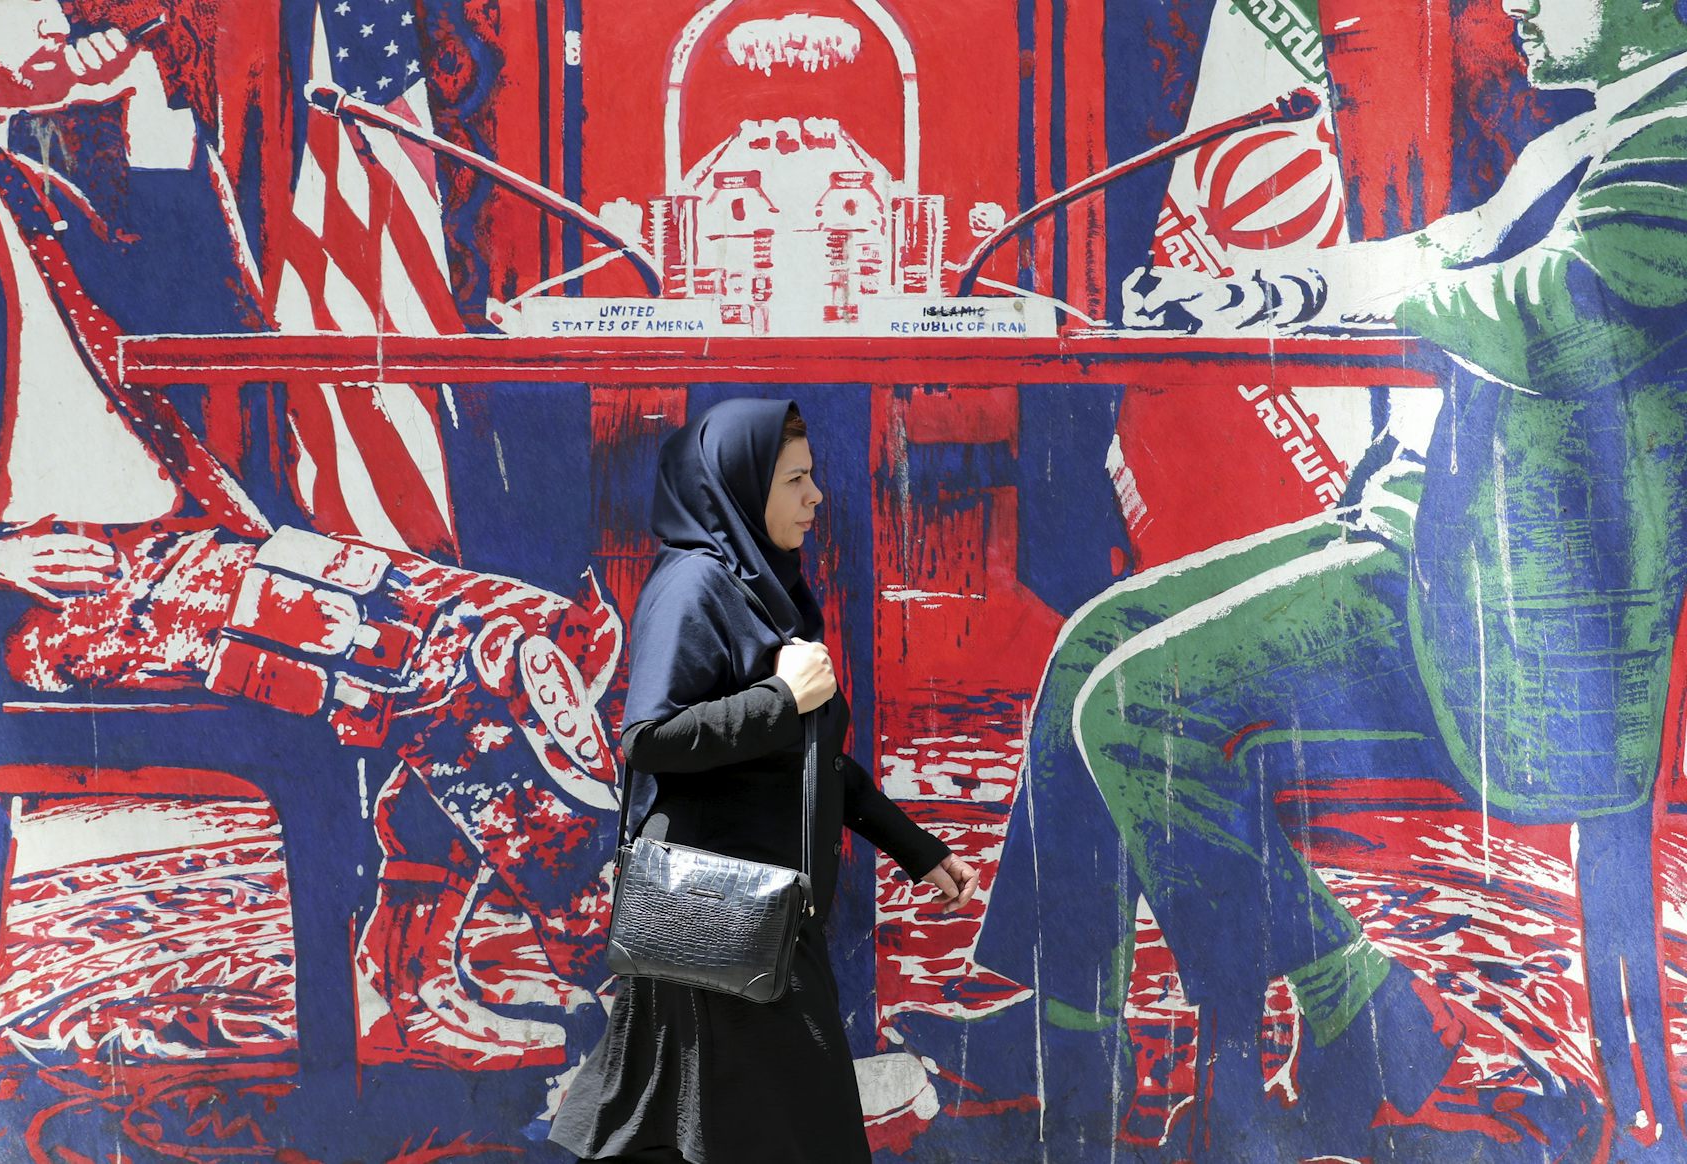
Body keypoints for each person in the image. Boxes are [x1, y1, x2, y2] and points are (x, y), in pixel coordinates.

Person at [0, 0, 621, 1158]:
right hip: (53, 599)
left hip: (182, 558)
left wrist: (149, 116)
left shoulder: (21, 184)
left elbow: (208, 308)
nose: (67, 17)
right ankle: (668, 1003)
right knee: (459, 652)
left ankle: (420, 956)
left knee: (544, 631)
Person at [997, 0, 1687, 1156]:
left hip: (1509, 622)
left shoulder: (1675, 143)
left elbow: (1556, 317)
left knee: (1129, 703)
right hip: (1430, 543)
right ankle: (1072, 1047)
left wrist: (1406, 292)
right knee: (1087, 645)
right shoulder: (1582, 139)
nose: (1513, 3)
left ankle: (1331, 1004)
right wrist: (1256, 295)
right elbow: (1438, 255)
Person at [546, 397, 981, 1164]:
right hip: (719, 912)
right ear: (741, 489)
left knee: (732, 1135)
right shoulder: (694, 587)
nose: (816, 497)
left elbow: (812, 760)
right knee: (793, 1134)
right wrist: (782, 698)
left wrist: (915, 850)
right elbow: (648, 738)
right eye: (796, 480)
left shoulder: (762, 591)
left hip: (764, 921)